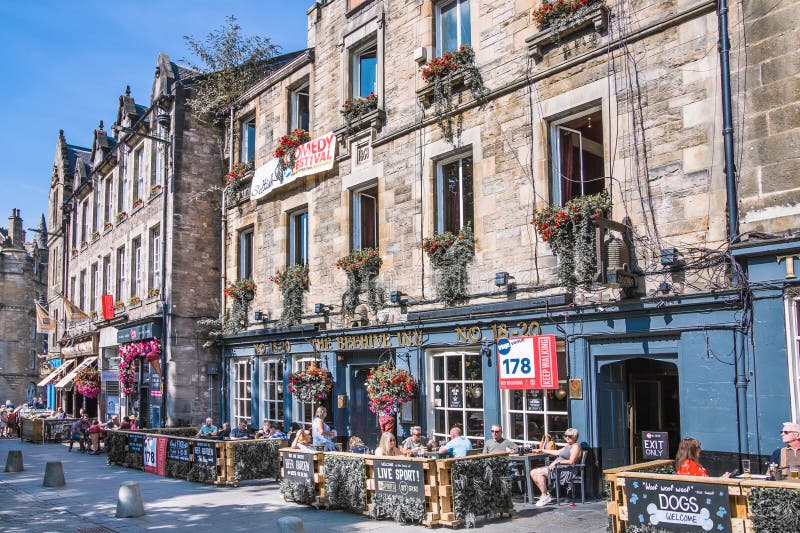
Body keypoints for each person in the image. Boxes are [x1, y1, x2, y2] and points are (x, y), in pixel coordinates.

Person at [530, 428, 582, 507]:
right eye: (565, 436)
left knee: (538, 472)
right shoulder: (568, 446)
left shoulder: (575, 447)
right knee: (533, 472)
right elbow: (557, 452)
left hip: (566, 470)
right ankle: (545, 494)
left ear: (575, 437)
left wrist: (558, 462)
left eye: (569, 436)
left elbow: (571, 461)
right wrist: (542, 450)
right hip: (558, 468)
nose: (567, 438)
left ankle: (544, 496)